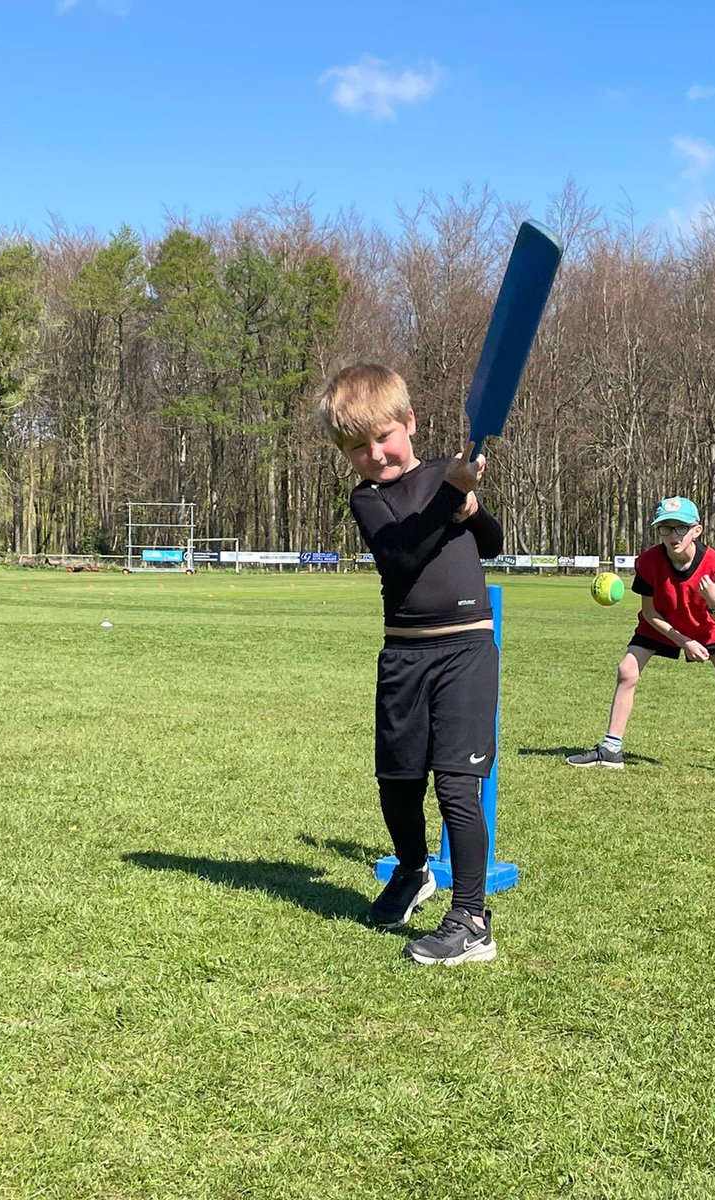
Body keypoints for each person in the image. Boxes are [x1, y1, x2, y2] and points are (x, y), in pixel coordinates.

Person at [316, 363, 504, 965]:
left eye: (383, 437)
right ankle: (414, 870)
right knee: (397, 781)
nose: (374, 454)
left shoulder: (443, 480)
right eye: (356, 447)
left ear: (410, 423)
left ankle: (472, 919)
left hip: (465, 652)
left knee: (455, 784)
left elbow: (493, 544)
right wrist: (452, 493)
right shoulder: (367, 500)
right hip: (403, 653)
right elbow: (401, 556)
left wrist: (470, 508)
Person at [566, 496, 715, 780]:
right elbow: (649, 612)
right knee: (627, 670)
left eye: (681, 528)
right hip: (660, 623)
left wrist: (713, 601)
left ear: (697, 530)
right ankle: (611, 749)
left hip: (705, 625)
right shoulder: (648, 563)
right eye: (666, 528)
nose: (673, 535)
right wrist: (683, 641)